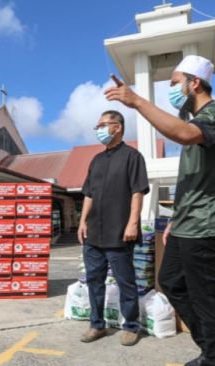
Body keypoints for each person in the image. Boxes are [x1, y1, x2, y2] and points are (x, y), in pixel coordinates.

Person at [105, 55, 215, 366]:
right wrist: (175, 217)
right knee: (172, 281)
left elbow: (184, 134)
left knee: (207, 295)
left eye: (176, 82)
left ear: (195, 83)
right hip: (185, 222)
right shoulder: (192, 123)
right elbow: (191, 177)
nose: (172, 89)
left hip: (206, 222)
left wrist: (137, 101)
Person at [78, 110, 150, 347]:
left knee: (125, 281)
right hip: (93, 234)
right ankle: (97, 325)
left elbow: (137, 191)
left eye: (102, 125)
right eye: (97, 125)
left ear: (117, 127)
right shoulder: (96, 160)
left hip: (119, 232)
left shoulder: (132, 157)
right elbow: (88, 193)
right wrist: (82, 221)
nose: (98, 129)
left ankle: (131, 325)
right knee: (94, 281)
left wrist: (132, 222)